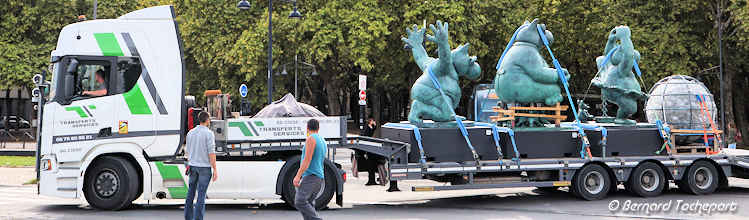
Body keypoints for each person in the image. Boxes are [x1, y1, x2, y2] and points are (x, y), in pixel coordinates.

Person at [184, 111, 218, 220]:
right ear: (207, 120)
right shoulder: (209, 133)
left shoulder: (190, 133)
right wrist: (215, 169)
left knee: (190, 193)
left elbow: (188, 151)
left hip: (192, 166)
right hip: (204, 168)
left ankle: (188, 217)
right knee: (201, 195)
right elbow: (211, 153)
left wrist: (190, 163)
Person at [293, 119, 327, 220]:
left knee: (300, 201)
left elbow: (307, 160)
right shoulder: (322, 140)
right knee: (309, 204)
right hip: (318, 177)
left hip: (311, 176)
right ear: (318, 128)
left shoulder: (311, 139)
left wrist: (297, 176)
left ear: (307, 128)